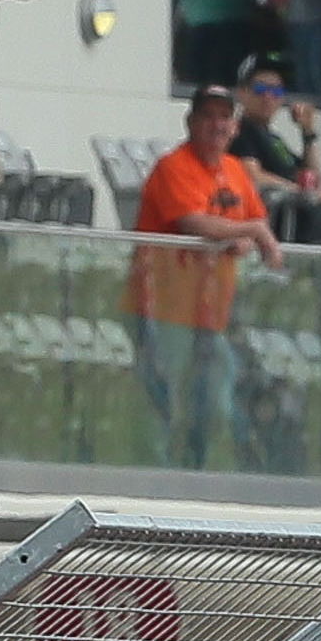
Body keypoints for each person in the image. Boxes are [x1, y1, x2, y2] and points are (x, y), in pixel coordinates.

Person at [126, 81, 280, 472]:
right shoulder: (173, 166)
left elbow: (252, 217)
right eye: (207, 116)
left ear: (235, 127)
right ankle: (157, 483)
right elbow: (194, 222)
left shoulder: (234, 170)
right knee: (166, 400)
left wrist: (244, 234)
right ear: (190, 121)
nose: (216, 125)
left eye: (224, 117)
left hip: (214, 312)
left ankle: (195, 473)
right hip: (162, 308)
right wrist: (248, 234)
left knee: (213, 405)